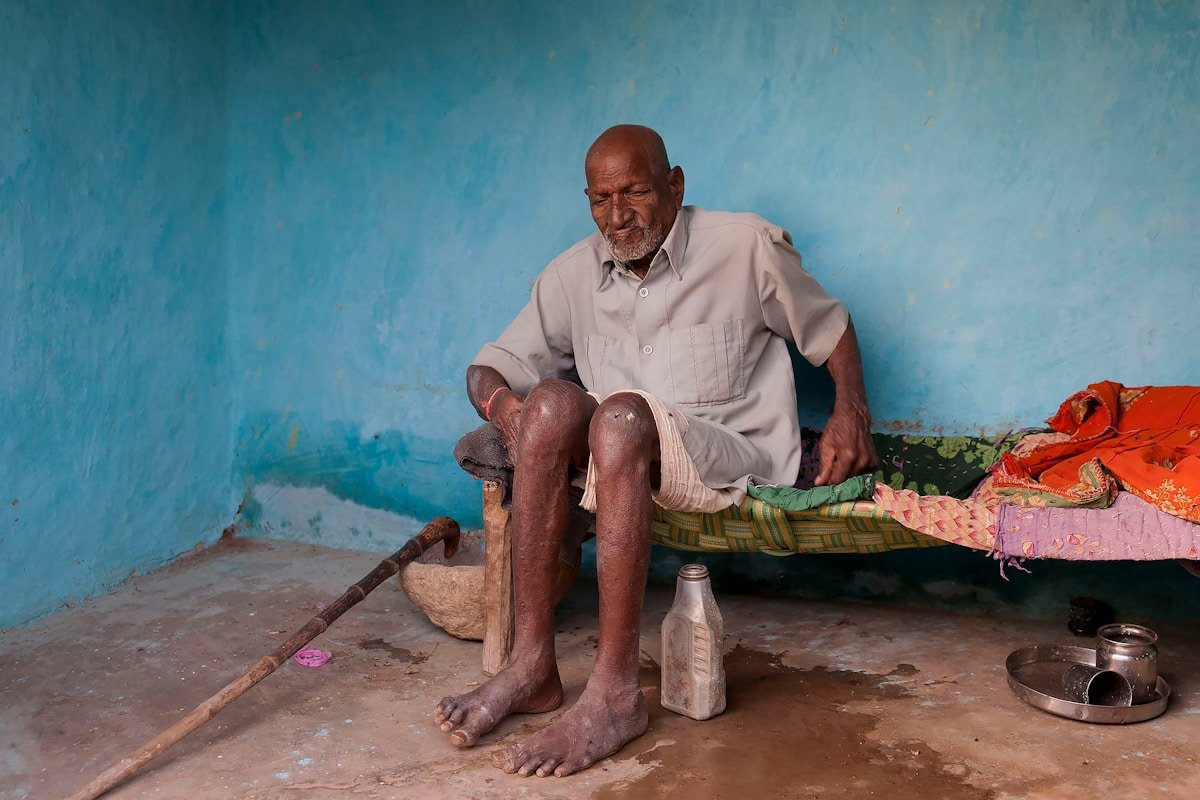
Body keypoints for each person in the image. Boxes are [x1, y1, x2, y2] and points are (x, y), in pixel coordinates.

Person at [435, 124, 877, 777]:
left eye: (635, 191)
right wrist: (507, 412)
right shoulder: (571, 273)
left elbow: (831, 328)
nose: (617, 216)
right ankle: (532, 666)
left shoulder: (744, 246)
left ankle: (615, 694)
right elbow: (486, 370)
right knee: (553, 404)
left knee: (616, 416)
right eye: (600, 199)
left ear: (674, 185)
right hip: (623, 448)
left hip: (730, 448)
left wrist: (850, 412)